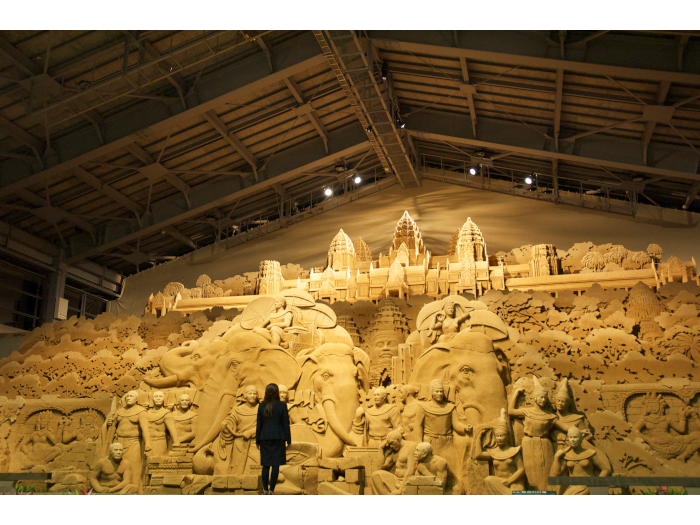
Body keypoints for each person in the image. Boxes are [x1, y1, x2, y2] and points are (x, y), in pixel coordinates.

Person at [256, 384, 292, 495]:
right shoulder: (282, 405)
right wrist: (289, 440)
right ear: (277, 393)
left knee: (266, 465)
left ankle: (265, 490)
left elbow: (259, 424)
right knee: (276, 465)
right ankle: (272, 490)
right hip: (278, 437)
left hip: (265, 437)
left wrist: (257, 440)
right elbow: (286, 424)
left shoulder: (261, 406)